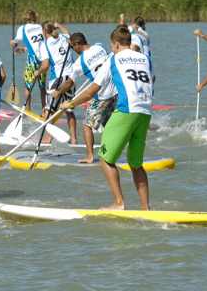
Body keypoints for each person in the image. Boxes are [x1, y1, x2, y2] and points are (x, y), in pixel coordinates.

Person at [60, 27, 153, 210]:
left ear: (116, 44)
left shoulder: (113, 59)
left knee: (105, 158)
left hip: (126, 110)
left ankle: (119, 203)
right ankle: (145, 208)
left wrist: (71, 103)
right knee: (136, 164)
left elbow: (91, 92)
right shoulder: (143, 58)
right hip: (145, 111)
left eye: (112, 46)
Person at [55, 32, 115, 163]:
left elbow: (69, 83)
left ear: (77, 44)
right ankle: (110, 153)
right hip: (116, 91)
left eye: (72, 47)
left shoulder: (79, 63)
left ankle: (90, 156)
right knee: (107, 125)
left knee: (87, 125)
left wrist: (58, 92)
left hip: (101, 95)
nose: (73, 50)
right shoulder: (99, 47)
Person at [37, 22, 78, 144]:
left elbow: (45, 65)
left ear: (44, 32)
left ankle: (47, 138)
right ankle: (74, 139)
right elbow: (68, 33)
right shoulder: (64, 38)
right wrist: (59, 25)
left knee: (49, 110)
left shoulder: (44, 44)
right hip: (71, 78)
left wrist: (37, 72)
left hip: (57, 79)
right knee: (69, 109)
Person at [10, 10, 47, 111]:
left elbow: (15, 42)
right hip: (44, 60)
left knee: (28, 87)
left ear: (25, 18)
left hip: (32, 60)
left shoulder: (22, 28)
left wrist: (13, 43)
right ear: (35, 17)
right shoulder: (41, 27)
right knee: (42, 87)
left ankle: (28, 110)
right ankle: (44, 110)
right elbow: (39, 44)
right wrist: (23, 49)